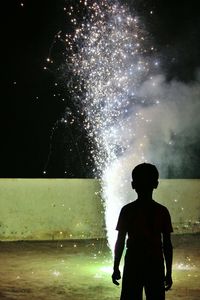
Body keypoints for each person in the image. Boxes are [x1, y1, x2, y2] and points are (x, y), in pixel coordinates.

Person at [112, 163, 173, 300]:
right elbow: (167, 245)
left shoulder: (127, 210)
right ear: (156, 184)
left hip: (133, 263)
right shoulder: (162, 211)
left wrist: (116, 266)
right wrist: (168, 272)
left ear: (133, 185)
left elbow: (120, 241)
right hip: (155, 264)